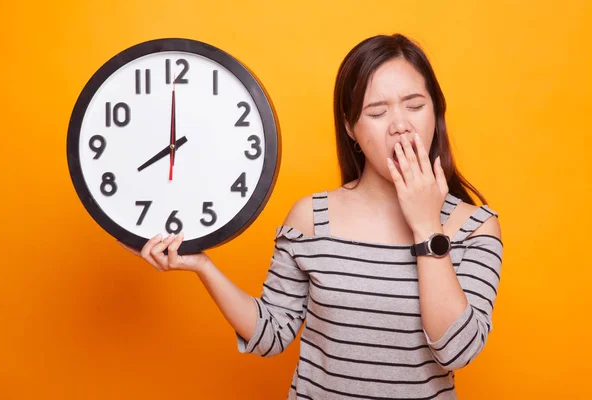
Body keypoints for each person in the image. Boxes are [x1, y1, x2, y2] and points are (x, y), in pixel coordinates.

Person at [119, 33, 503, 399]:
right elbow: (271, 333)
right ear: (351, 127)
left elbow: (458, 350)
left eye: (415, 105)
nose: (400, 124)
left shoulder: (474, 226)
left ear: (436, 113)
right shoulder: (311, 218)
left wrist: (426, 226)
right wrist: (202, 265)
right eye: (377, 111)